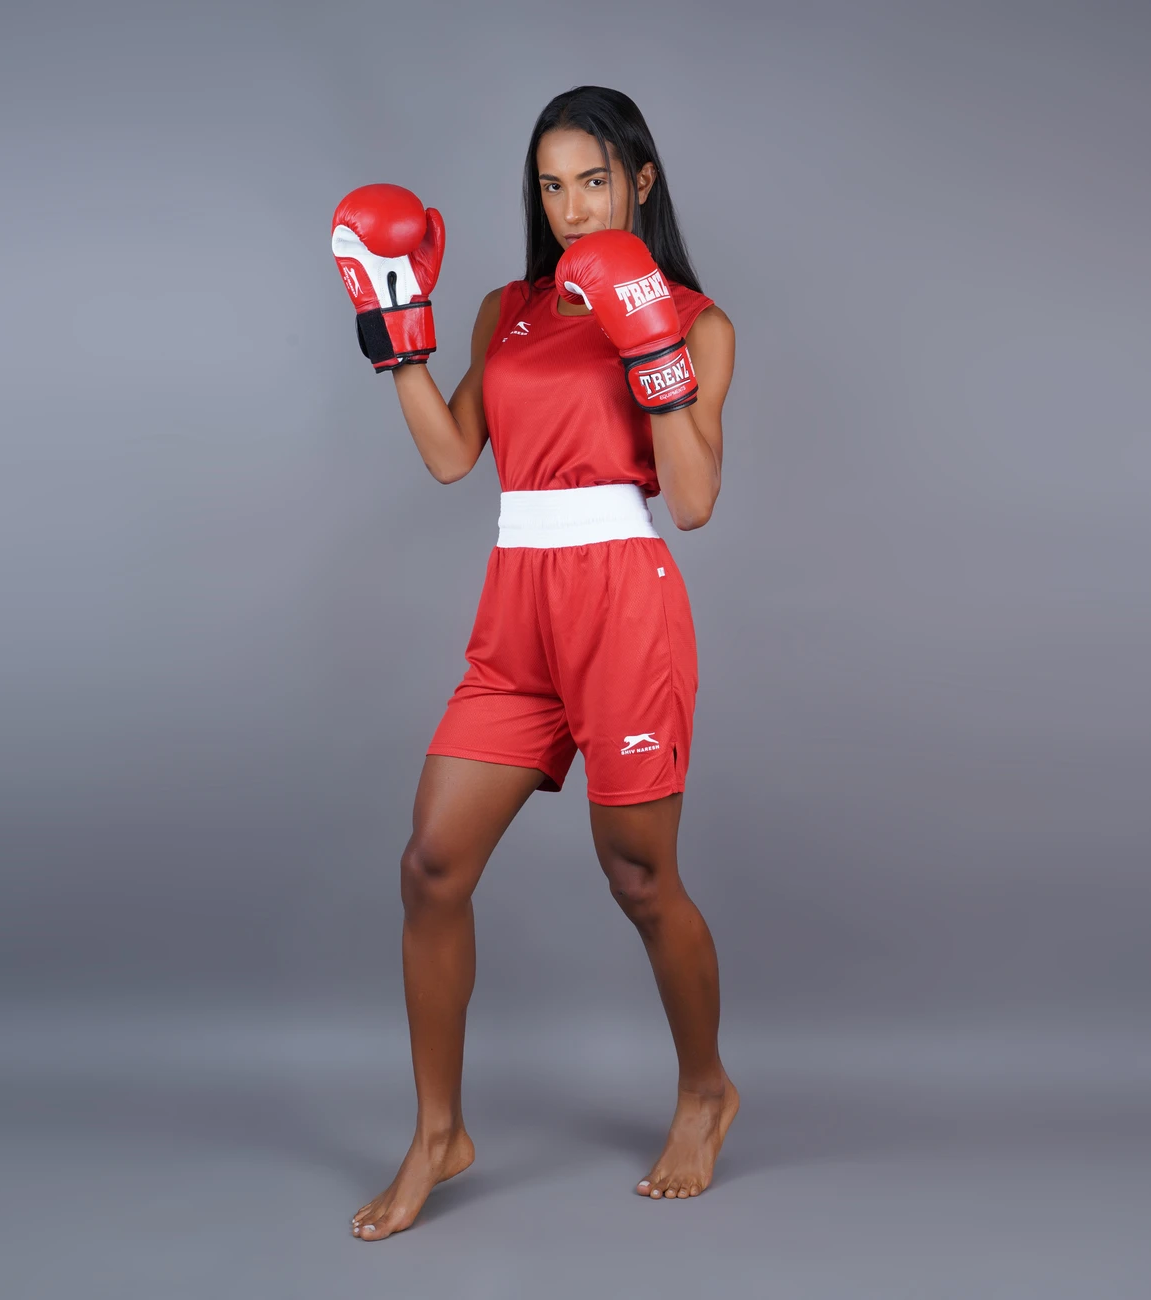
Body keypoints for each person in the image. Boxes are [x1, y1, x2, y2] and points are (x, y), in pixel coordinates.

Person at [331, 85, 737, 1242]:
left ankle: (705, 1089)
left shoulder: (697, 320)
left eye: (593, 182)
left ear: (639, 182)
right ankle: (438, 1132)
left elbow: (694, 499)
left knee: (638, 876)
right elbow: (452, 455)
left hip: (622, 603)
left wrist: (649, 342)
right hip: (517, 608)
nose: (572, 208)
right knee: (431, 865)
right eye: (551, 187)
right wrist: (394, 329)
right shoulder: (504, 310)